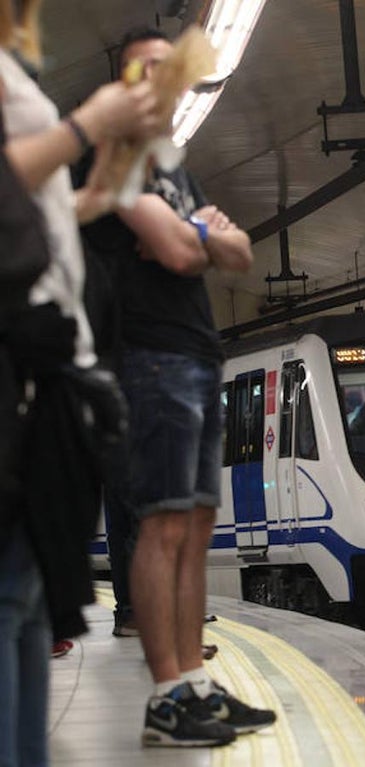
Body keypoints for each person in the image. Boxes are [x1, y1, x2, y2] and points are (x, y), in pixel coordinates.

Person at [80, 27, 274, 747]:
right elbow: (178, 253)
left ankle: (197, 687)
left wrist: (195, 230)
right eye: (148, 70)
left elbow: (241, 251)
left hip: (196, 356)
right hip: (147, 360)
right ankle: (165, 698)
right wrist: (199, 235)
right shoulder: (112, 156)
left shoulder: (174, 170)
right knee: (162, 528)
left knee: (194, 533)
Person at [1, 6, 161, 762]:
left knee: (29, 609)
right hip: (14, 368)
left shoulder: (13, 67)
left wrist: (95, 191)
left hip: (46, 372)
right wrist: (86, 124)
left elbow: (33, 211)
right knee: (9, 605)